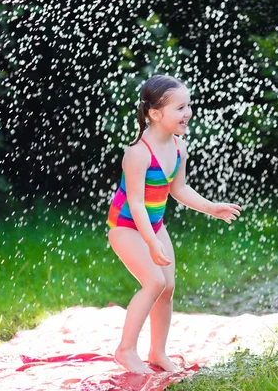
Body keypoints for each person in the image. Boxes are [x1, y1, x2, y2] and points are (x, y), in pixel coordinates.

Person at [106, 74, 242, 373]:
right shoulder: (137, 153)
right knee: (154, 282)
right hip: (126, 227)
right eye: (180, 108)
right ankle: (125, 350)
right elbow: (137, 203)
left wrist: (211, 207)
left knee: (167, 287)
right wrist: (151, 242)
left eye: (188, 106)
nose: (188, 113)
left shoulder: (179, 147)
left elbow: (178, 189)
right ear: (155, 114)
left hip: (154, 226)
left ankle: (157, 352)